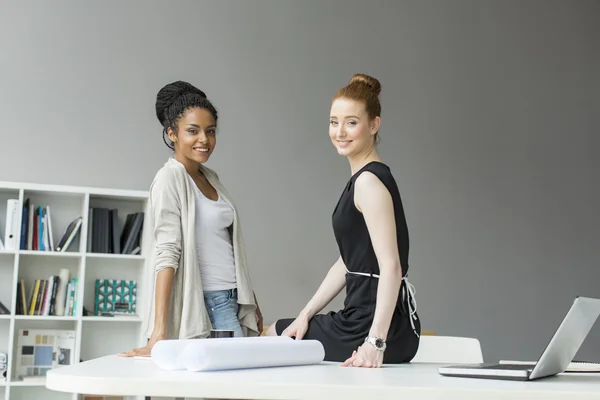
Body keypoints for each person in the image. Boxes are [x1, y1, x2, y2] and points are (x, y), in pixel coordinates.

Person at [266, 73, 420, 368]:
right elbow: (349, 262)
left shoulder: (368, 183)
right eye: (334, 121)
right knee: (283, 331)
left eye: (351, 122)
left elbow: (392, 266)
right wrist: (305, 315)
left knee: (272, 335)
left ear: (374, 125)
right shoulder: (366, 178)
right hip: (376, 323)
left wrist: (375, 343)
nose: (340, 131)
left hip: (372, 326)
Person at [119, 81, 263, 357]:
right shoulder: (169, 178)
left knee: (228, 388)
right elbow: (167, 251)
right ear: (172, 133)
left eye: (210, 132)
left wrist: (251, 300)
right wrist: (158, 331)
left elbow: (226, 246)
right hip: (207, 302)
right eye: (193, 131)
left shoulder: (211, 178)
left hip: (231, 297)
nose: (204, 140)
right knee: (229, 389)